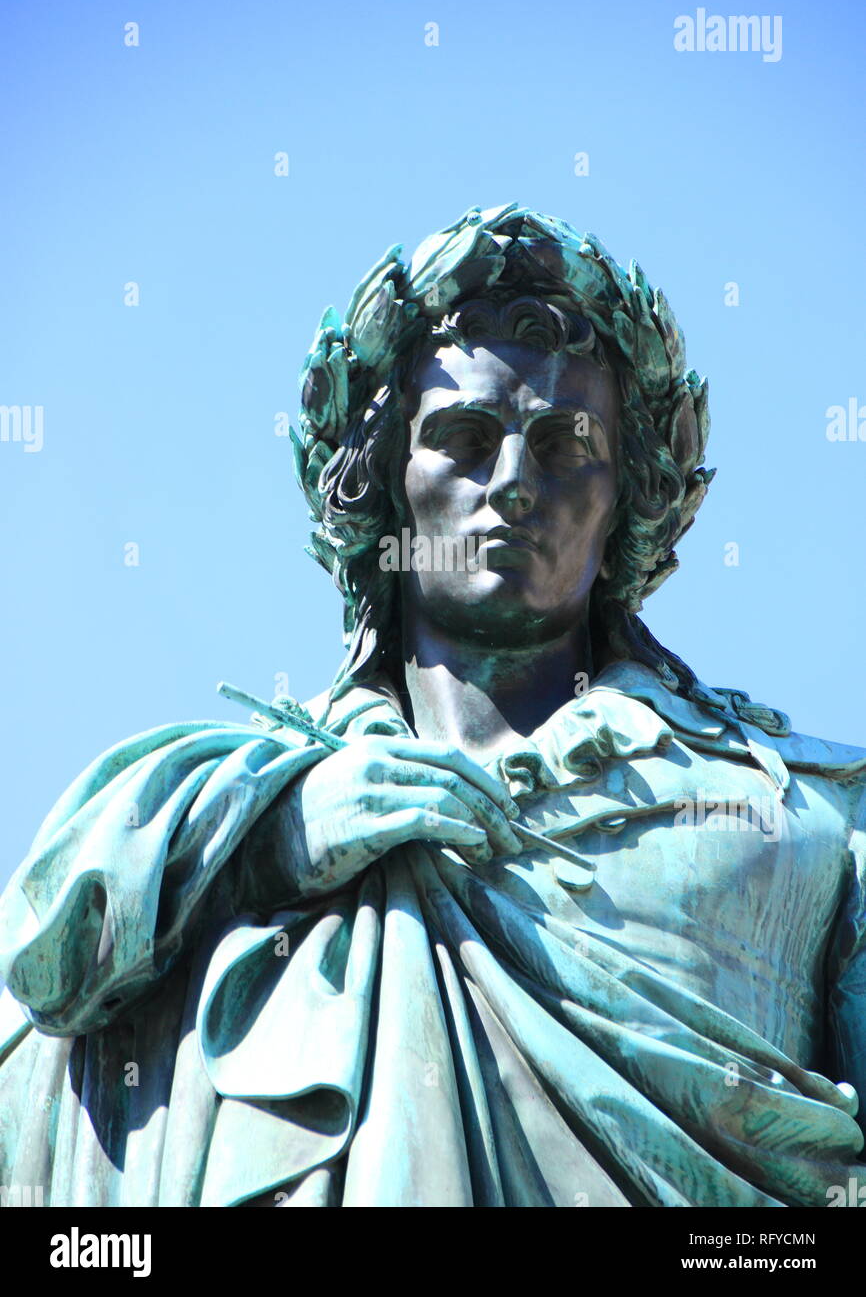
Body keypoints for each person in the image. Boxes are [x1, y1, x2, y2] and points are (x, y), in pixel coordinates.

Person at [1, 202, 864, 1207]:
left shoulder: (811, 822)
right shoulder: (211, 824)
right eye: (462, 437)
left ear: (627, 491)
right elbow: (47, 1000)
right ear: (380, 482)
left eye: (562, 445)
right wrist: (259, 859)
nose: (511, 483)